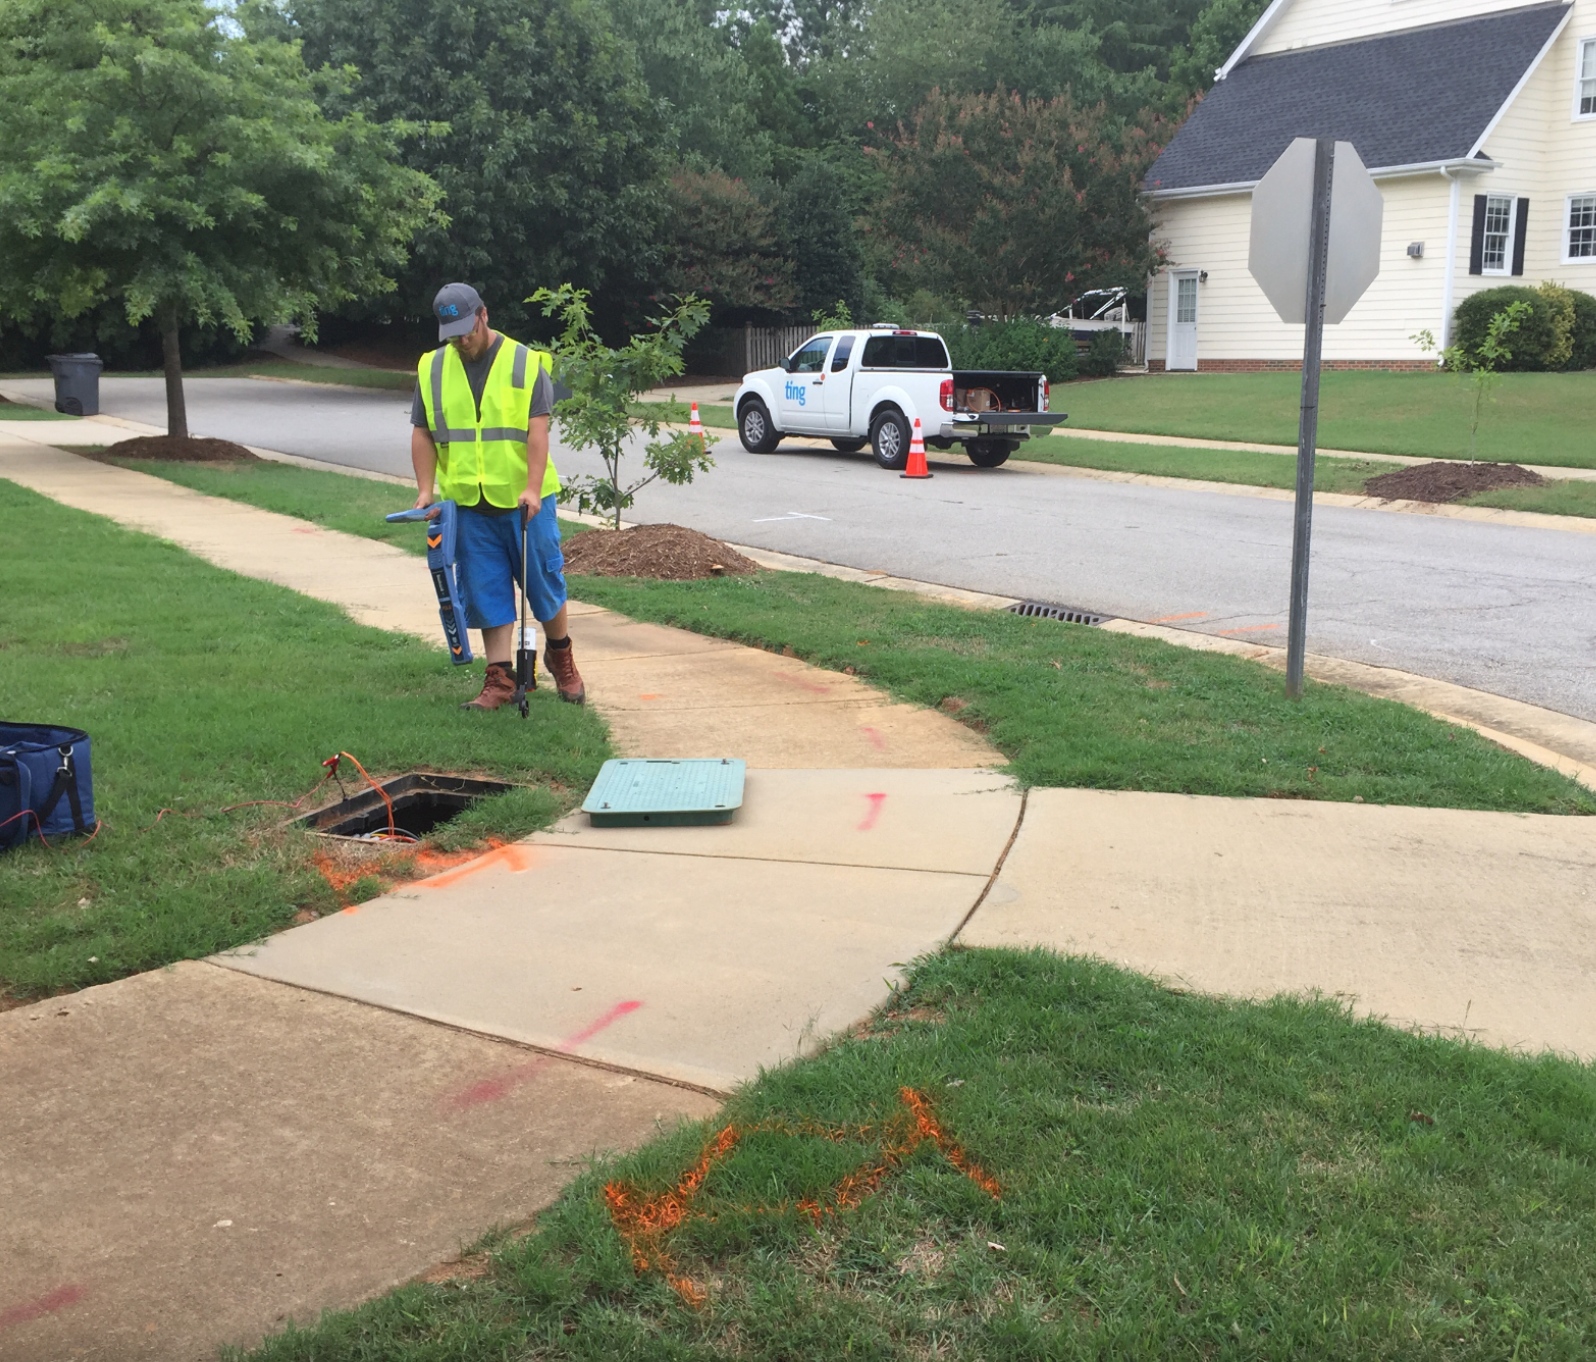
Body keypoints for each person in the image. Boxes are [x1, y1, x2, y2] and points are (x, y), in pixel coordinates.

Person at [411, 282, 585, 709]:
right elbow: (423, 432)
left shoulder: (525, 363)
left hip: (525, 501)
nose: (461, 339)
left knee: (544, 583)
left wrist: (531, 486)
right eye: (452, 333)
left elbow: (537, 432)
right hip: (469, 503)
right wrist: (424, 490)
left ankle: (560, 655)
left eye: (466, 329)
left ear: (483, 315)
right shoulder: (432, 369)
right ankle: (501, 680)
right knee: (484, 588)